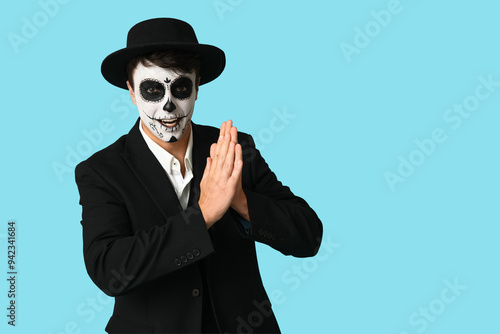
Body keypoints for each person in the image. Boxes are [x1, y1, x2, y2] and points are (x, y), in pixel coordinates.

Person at [75, 18, 323, 334]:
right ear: (131, 92)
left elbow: (309, 236)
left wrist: (240, 200)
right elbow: (109, 270)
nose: (168, 105)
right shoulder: (101, 171)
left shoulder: (234, 148)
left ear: (197, 87)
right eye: (152, 89)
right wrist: (204, 213)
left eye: (180, 88)